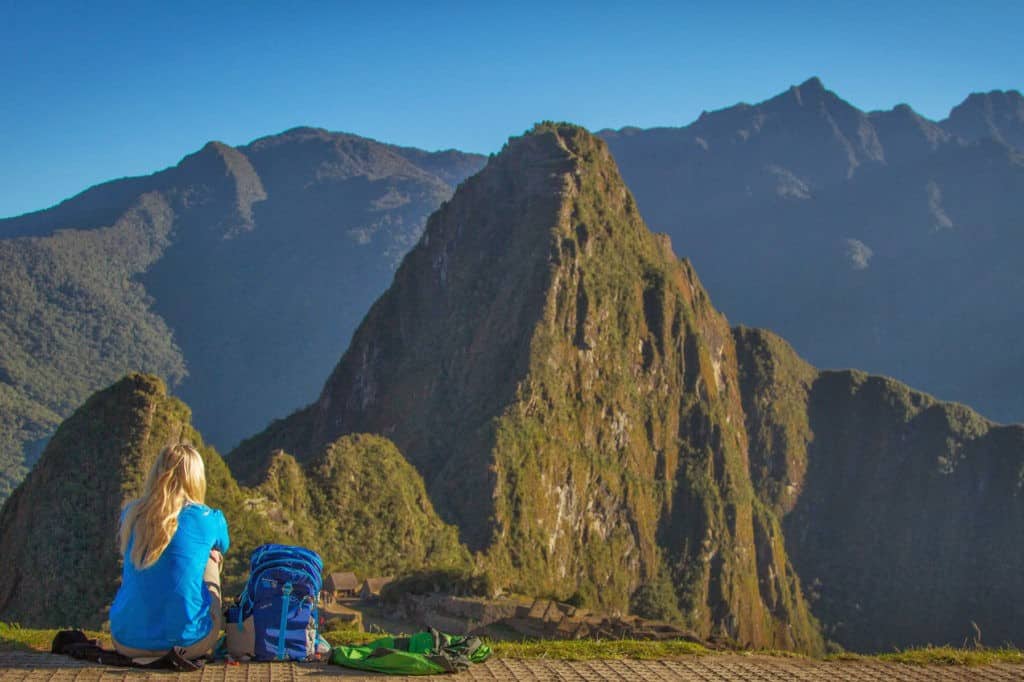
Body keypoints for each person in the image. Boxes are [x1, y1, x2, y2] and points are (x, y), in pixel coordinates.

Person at [109, 443, 230, 661]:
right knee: (212, 556)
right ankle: (186, 623)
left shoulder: (131, 514)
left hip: (126, 642)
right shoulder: (209, 518)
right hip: (187, 645)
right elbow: (224, 545)